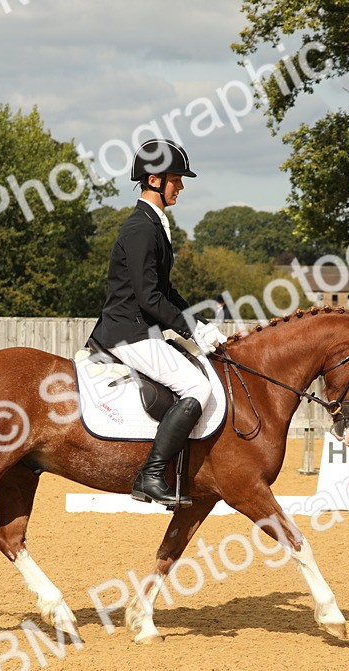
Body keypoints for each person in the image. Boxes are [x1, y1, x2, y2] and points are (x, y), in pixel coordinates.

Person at [90, 138, 227, 507]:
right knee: (197, 388)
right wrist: (191, 330)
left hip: (140, 329)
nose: (180, 186)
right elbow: (149, 298)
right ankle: (151, 475)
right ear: (154, 180)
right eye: (176, 179)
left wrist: (200, 324)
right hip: (127, 333)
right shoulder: (140, 228)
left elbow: (165, 290)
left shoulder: (155, 225)